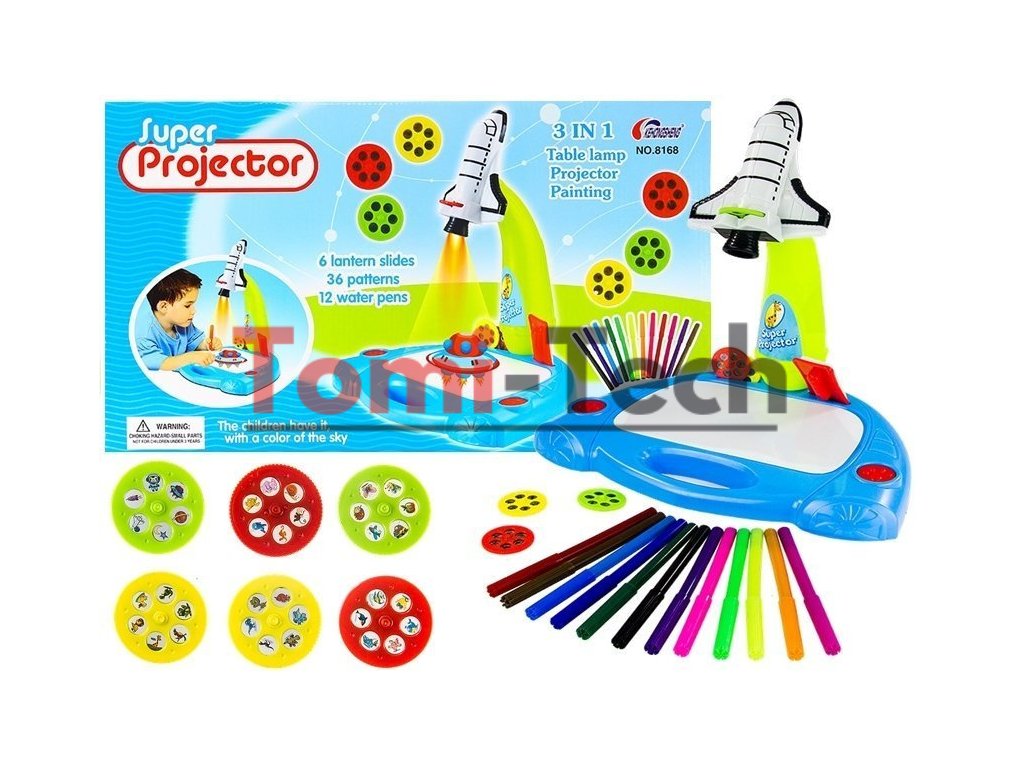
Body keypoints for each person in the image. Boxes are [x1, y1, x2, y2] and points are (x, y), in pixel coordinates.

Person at [137, 268, 222, 371]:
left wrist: (206, 345)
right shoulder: (144, 335)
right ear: (163, 307)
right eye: (187, 305)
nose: (194, 311)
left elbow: (193, 342)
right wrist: (191, 357)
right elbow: (160, 363)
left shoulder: (182, 323)